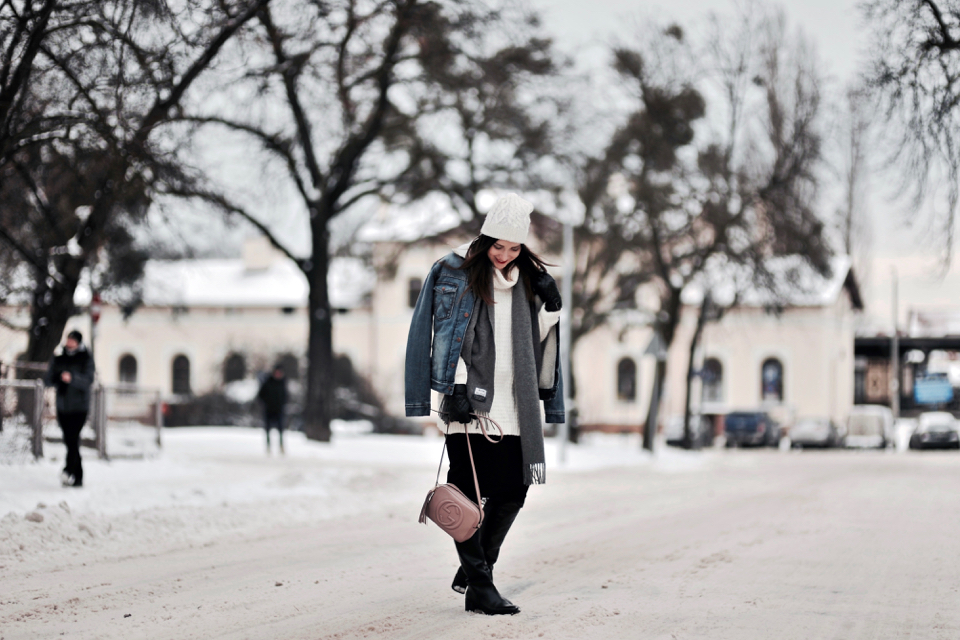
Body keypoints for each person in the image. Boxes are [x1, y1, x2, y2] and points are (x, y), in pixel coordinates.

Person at [405, 193, 565, 616]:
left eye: (514, 249)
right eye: (499, 246)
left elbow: (539, 338)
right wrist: (453, 389)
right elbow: (446, 333)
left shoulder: (527, 277)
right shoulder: (455, 271)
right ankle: (480, 586)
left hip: (516, 401)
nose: (505, 256)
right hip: (470, 399)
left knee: (514, 490)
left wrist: (551, 304)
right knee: (467, 496)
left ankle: (478, 572)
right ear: (486, 237)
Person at [44, 330, 96, 488]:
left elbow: (88, 380)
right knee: (69, 440)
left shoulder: (85, 357)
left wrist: (72, 378)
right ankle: (77, 476)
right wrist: (59, 378)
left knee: (72, 438)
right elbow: (48, 379)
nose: (69, 343)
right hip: (62, 405)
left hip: (80, 406)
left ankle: (68, 469)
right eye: (68, 339)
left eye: (73, 340)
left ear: (79, 342)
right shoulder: (59, 357)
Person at [258, 364, 288, 454]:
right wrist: (267, 403)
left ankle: (281, 446)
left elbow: (285, 395)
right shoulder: (268, 382)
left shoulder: (282, 383)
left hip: (279, 409)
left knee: (281, 429)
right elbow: (261, 395)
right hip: (269, 409)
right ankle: (268, 446)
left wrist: (282, 403)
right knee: (267, 429)